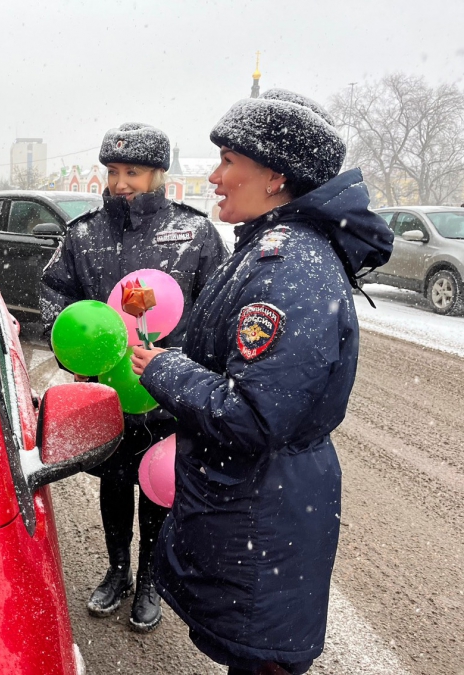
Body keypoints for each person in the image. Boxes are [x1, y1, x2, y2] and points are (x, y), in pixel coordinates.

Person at [130, 90, 394, 673]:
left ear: (275, 175)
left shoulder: (287, 267)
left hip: (263, 516)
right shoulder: (268, 249)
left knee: (262, 664)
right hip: (259, 507)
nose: (216, 177)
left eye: (228, 160)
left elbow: (253, 413)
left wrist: (163, 368)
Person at [41, 122, 228, 632]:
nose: (121, 182)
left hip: (171, 392)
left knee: (160, 487)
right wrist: (74, 348)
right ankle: (118, 570)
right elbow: (54, 297)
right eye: (114, 171)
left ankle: (150, 579)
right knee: (115, 483)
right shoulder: (83, 234)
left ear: (158, 174)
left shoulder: (194, 233)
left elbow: (219, 308)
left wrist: (186, 360)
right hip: (108, 393)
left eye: (134, 172)